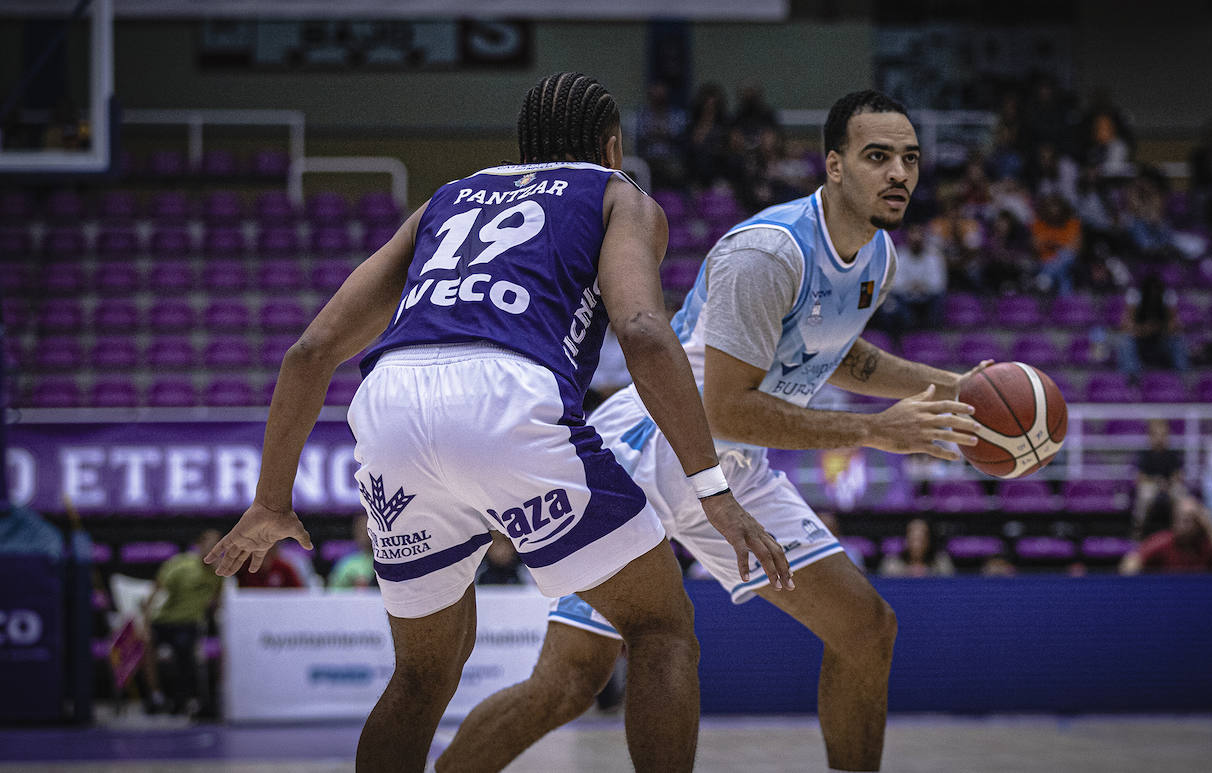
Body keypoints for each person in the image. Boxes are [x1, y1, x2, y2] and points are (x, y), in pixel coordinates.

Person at [203, 72, 791, 773]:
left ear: (524, 148)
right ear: (611, 148)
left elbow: (311, 352)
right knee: (660, 627)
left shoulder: (445, 200)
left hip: (390, 402)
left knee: (420, 677)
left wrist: (271, 501)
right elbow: (640, 328)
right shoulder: (618, 196)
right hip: (507, 395)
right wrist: (712, 489)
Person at [453, 89, 986, 773]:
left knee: (865, 628)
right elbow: (722, 409)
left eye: (909, 159)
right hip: (648, 450)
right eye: (877, 156)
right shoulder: (768, 252)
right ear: (833, 165)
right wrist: (875, 432)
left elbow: (841, 353)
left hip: (728, 464)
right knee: (570, 681)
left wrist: (952, 386)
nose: (899, 174)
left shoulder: (877, 259)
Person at [141, 530, 223, 716]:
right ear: (199, 545)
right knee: (146, 645)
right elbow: (154, 594)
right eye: (210, 544)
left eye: (217, 545)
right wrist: (145, 625)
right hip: (163, 621)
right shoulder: (181, 566)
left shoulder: (220, 573)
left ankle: (184, 700)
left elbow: (216, 602)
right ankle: (155, 696)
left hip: (190, 624)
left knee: (185, 648)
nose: (213, 549)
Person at [1119, 494, 1212, 574]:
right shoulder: (1163, 541)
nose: (1182, 524)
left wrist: (1209, 524)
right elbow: (1130, 564)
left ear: (1199, 524)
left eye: (1189, 519)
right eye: (1179, 518)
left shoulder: (1207, 544)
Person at [1115, 274, 1188, 382]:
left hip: (1161, 342)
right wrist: (1143, 329)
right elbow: (1125, 325)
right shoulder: (1135, 298)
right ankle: (1132, 377)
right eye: (1151, 291)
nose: (1153, 294)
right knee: (1125, 341)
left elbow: (1176, 325)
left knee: (1178, 340)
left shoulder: (1167, 298)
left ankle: (1182, 378)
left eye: (1156, 292)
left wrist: (1160, 328)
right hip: (1141, 343)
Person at [1132, 419, 1185, 538]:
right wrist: (1157, 482)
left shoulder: (1173, 454)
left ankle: (1180, 531)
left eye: (1163, 434)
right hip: (1151, 485)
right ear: (1151, 436)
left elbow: (1178, 476)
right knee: (1145, 495)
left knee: (1180, 493)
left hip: (1169, 486)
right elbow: (1140, 478)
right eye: (1156, 434)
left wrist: (1168, 483)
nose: (1160, 438)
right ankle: (1139, 530)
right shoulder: (1144, 454)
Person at [878, 518, 954, 577]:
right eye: (913, 539)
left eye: (922, 539)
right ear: (906, 539)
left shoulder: (941, 563)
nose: (917, 544)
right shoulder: (891, 565)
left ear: (929, 540)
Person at [327, 514, 376, 590]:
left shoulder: (389, 560)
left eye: (368, 530)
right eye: (360, 530)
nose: (365, 535)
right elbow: (332, 591)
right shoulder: (346, 563)